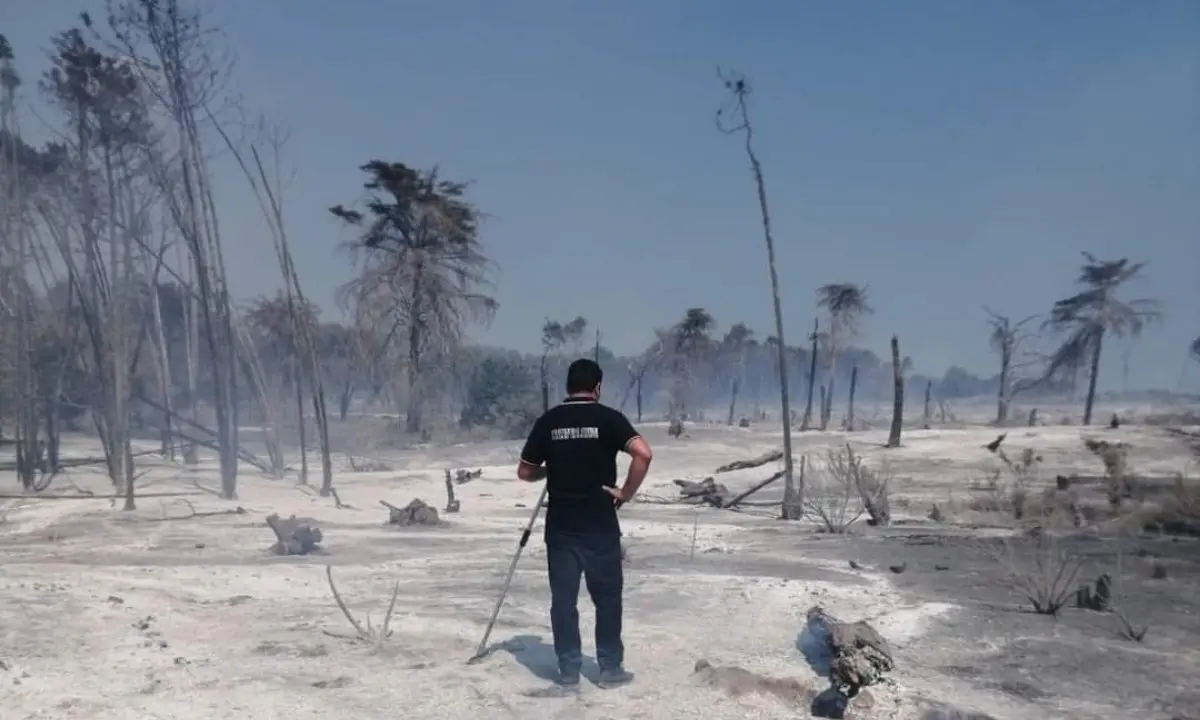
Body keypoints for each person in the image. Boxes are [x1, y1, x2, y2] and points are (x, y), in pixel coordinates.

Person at [516, 358, 653, 689]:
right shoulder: (609, 420)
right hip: (601, 526)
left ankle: (568, 673)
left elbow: (525, 471)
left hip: (561, 528)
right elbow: (643, 454)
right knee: (606, 599)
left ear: (567, 386)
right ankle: (609, 669)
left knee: (563, 602)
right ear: (597, 388)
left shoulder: (549, 422)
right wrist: (626, 493)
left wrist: (552, 468)